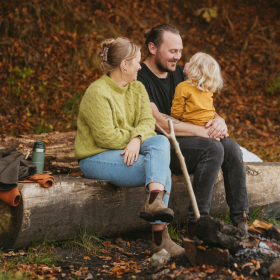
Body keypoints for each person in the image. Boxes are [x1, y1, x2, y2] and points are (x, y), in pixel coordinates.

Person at [74, 37, 184, 256]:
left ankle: (154, 202)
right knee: (159, 170)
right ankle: (159, 240)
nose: (140, 66)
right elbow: (107, 138)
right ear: (124, 65)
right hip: (96, 157)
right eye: (137, 62)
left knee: (161, 142)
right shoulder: (97, 92)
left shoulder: (138, 88)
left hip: (127, 149)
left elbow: (147, 123)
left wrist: (137, 139)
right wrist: (135, 137)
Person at [137, 24, 249, 238]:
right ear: (152, 48)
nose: (178, 57)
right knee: (213, 148)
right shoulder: (140, 77)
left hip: (192, 142)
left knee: (232, 147)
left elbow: (204, 106)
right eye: (172, 51)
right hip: (161, 146)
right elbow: (158, 120)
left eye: (179, 51)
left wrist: (219, 121)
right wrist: (203, 132)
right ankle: (198, 222)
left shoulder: (180, 73)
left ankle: (241, 221)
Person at [171, 52, 224, 127]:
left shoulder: (182, 86)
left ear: (194, 69)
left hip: (190, 125)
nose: (186, 63)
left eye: (189, 61)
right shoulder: (207, 88)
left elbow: (177, 110)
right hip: (208, 124)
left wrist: (174, 120)